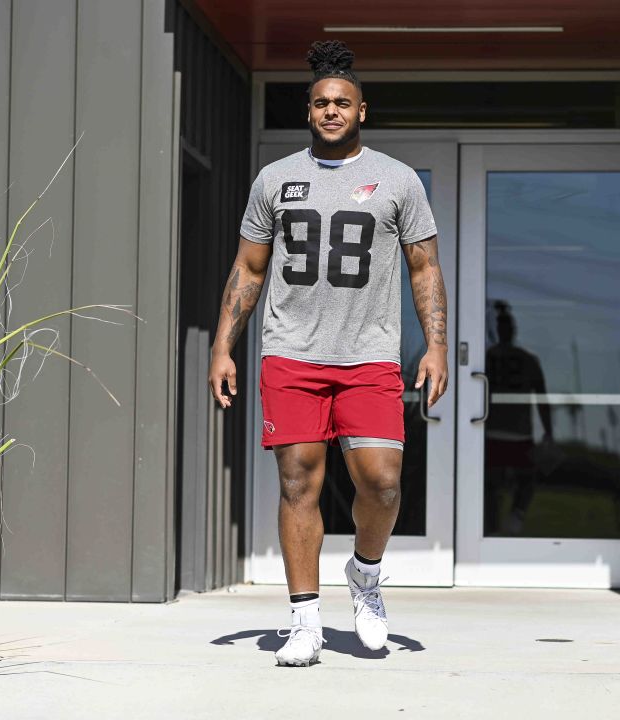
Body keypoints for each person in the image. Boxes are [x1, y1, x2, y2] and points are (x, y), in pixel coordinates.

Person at [207, 39, 449, 667]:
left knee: (383, 483)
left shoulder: (397, 180)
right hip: (292, 353)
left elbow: (424, 267)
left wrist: (436, 346)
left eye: (342, 102)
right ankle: (304, 620)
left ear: (361, 110)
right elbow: (249, 269)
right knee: (297, 484)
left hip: (369, 356)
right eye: (321, 103)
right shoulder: (275, 179)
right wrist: (222, 347)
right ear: (308, 110)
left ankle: (365, 575)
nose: (331, 111)